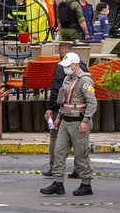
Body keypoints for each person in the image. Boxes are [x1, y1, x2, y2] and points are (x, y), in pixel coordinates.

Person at [42, 52, 98, 196]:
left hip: (78, 122)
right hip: (65, 121)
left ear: (75, 65)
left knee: (81, 155)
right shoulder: (67, 79)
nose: (65, 68)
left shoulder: (84, 80)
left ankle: (86, 183)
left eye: (68, 66)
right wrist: (59, 117)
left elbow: (92, 103)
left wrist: (85, 121)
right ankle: (58, 183)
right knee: (58, 152)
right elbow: (64, 101)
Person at [42, 42, 74, 178]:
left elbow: (56, 89)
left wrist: (51, 108)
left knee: (55, 135)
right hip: (79, 109)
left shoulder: (61, 67)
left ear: (61, 51)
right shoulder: (82, 66)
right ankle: (79, 168)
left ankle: (54, 167)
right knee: (77, 139)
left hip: (62, 108)